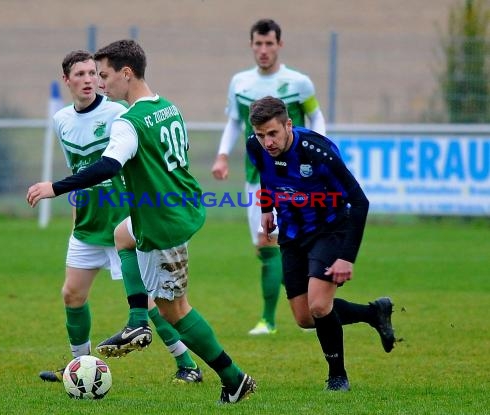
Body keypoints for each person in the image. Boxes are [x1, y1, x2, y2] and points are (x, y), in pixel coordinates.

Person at [27, 40, 256, 404]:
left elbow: (107, 166)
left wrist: (55, 187)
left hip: (162, 223)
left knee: (176, 311)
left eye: (103, 75)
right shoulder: (166, 107)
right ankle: (137, 320)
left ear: (126, 73)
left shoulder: (126, 122)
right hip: (178, 207)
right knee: (122, 234)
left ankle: (234, 378)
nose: (101, 83)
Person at [38, 50, 202, 384]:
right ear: (67, 80)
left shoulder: (119, 112)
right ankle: (79, 368)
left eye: (93, 73)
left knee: (151, 303)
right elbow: (79, 170)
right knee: (72, 294)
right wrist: (74, 215)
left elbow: (124, 163)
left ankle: (187, 363)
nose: (90, 80)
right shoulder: (62, 120)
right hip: (87, 224)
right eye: (81, 74)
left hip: (122, 222)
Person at [246, 96, 396, 391]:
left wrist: (347, 257)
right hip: (291, 233)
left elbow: (360, 202)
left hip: (330, 230)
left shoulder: (317, 152)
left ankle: (338, 376)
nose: (267, 141)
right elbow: (267, 174)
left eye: (273, 133)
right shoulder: (255, 146)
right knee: (304, 317)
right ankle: (372, 313)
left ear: (288, 124)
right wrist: (266, 209)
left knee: (318, 304)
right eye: (262, 135)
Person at [211, 18, 326, 335]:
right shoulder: (240, 83)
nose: (263, 50)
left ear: (280, 45)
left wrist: (317, 151)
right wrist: (222, 155)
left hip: (296, 178)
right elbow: (235, 122)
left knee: (276, 243)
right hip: (257, 176)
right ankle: (309, 303)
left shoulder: (299, 82)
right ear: (251, 45)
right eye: (258, 44)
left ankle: (269, 319)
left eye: (269, 44)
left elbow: (316, 115)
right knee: (267, 245)